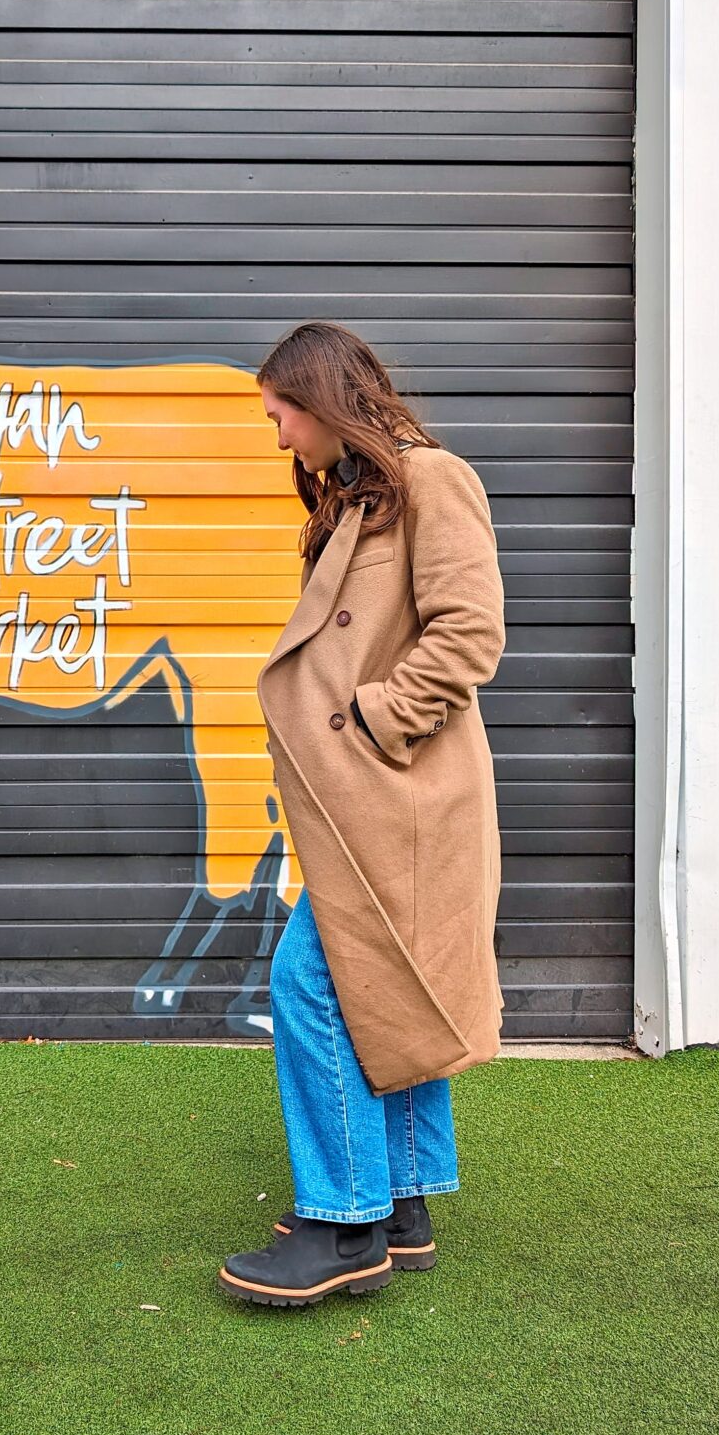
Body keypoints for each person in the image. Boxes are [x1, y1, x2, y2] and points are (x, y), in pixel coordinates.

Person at [218, 321, 507, 1309]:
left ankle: (346, 1219)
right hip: (371, 795)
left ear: (323, 396)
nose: (279, 436)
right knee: (392, 977)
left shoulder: (433, 480)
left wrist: (381, 723)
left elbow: (470, 628)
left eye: (282, 413)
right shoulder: (361, 494)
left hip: (403, 788)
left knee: (314, 978)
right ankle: (408, 1199)